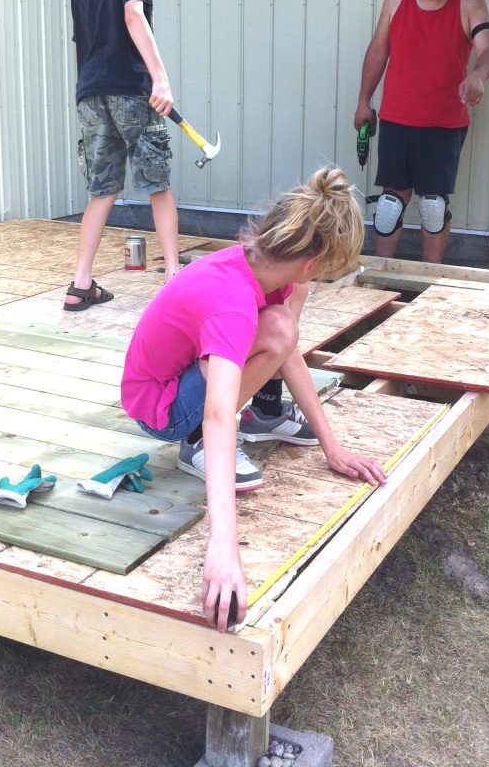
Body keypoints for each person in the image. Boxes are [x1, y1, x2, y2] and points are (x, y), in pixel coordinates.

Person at [121, 167, 387, 630]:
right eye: (326, 271)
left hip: (183, 378)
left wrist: (332, 446)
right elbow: (220, 415)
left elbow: (288, 353)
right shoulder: (232, 302)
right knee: (275, 329)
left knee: (281, 327)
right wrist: (222, 547)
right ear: (309, 262)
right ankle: (193, 447)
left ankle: (261, 417)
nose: (320, 278)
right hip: (159, 410)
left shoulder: (273, 273)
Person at [354, 0, 489, 263]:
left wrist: (478, 75)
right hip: (395, 119)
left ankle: (428, 280)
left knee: (433, 207)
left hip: (444, 124)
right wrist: (364, 101)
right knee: (390, 207)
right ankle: (382, 274)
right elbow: (378, 50)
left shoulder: (470, 1)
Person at [65, 0, 180, 311]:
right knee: (157, 184)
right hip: (131, 89)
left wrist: (89, 90)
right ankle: (172, 278)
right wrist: (160, 79)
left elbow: (80, 48)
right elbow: (135, 14)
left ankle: (80, 284)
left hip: (90, 93)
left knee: (101, 190)